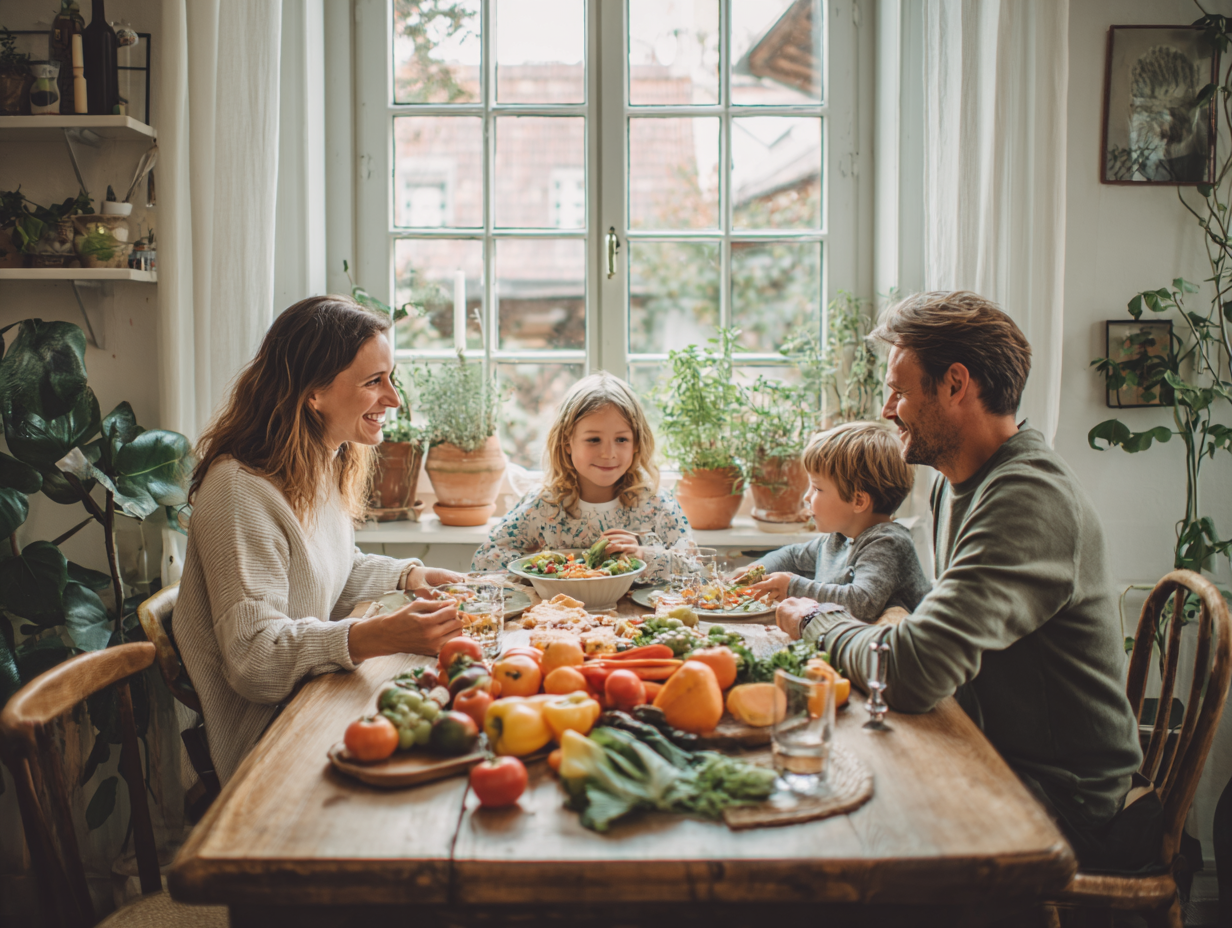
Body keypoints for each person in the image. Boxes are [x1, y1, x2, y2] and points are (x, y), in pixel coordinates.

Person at [775, 291, 1155, 872]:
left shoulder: (1027, 497)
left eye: (899, 390)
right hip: (992, 749)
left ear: (956, 384)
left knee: (832, 841)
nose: (887, 408)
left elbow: (910, 672)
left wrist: (813, 618)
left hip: (1062, 798)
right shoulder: (958, 481)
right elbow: (938, 638)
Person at [177, 296, 467, 785]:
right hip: (273, 744)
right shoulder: (239, 492)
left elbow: (331, 570)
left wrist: (410, 576)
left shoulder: (318, 462)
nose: (393, 399)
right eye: (374, 382)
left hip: (316, 702)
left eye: (389, 378)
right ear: (313, 393)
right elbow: (254, 658)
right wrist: (375, 635)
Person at [471, 372, 690, 580]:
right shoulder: (544, 506)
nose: (608, 453)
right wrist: (538, 568)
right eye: (594, 439)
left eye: (621, 440)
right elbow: (484, 561)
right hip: (557, 618)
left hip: (635, 619)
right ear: (567, 442)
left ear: (636, 444)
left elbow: (697, 567)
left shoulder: (657, 505)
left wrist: (643, 554)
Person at [740, 421, 930, 621]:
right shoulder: (838, 539)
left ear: (858, 500)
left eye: (817, 489)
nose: (806, 497)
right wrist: (754, 571)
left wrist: (792, 586)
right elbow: (793, 556)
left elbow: (862, 603)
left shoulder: (887, 544)